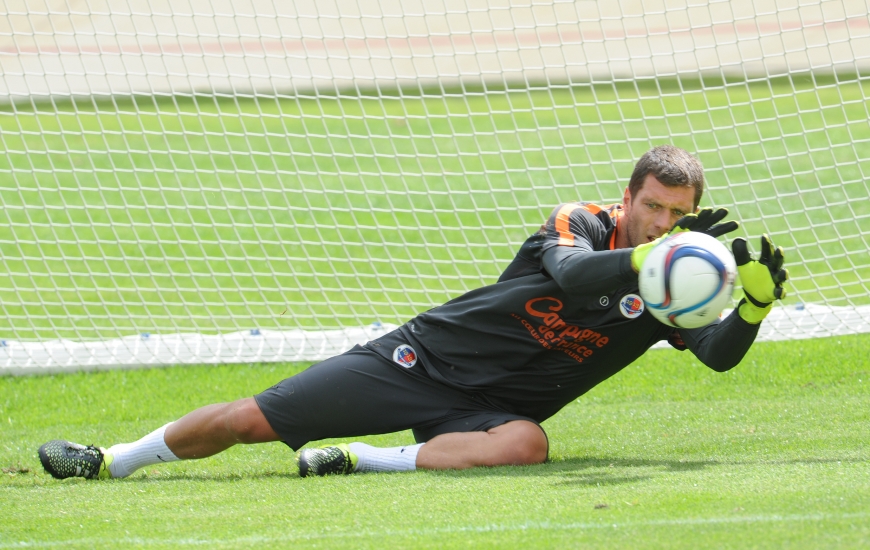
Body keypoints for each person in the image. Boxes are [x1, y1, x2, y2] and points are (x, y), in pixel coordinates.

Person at [38, 145, 788, 480]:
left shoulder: (668, 288)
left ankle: (359, 462)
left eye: (675, 214)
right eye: (651, 207)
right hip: (421, 361)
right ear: (627, 199)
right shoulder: (582, 224)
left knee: (528, 444)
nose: (661, 222)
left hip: (487, 413)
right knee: (248, 423)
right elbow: (570, 273)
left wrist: (748, 303)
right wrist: (651, 256)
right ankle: (110, 460)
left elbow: (717, 353)